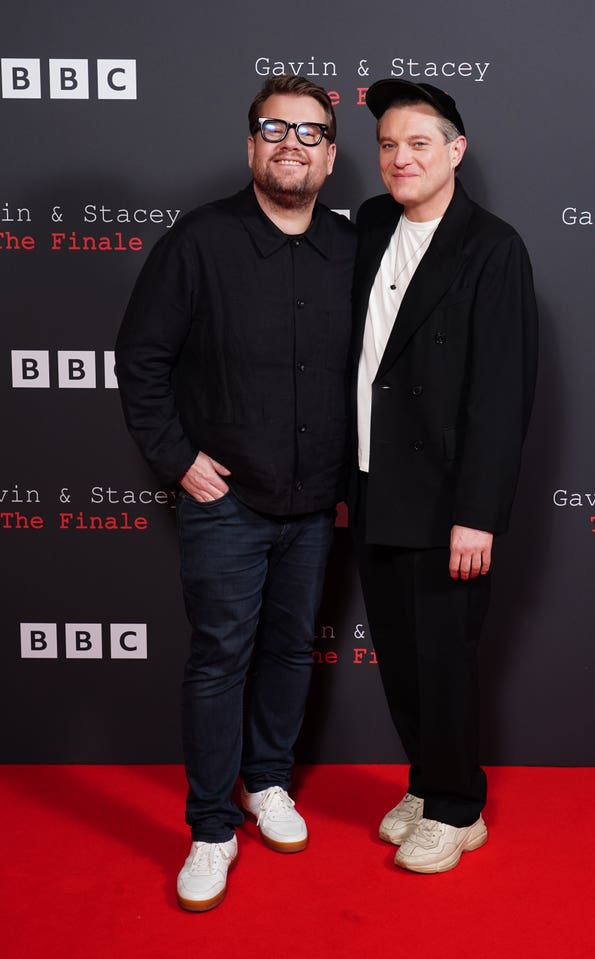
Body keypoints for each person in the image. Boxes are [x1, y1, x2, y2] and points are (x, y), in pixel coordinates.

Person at [115, 75, 355, 910]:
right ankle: (212, 826)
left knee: (291, 651)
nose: (292, 144)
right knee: (220, 659)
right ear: (250, 144)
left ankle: (267, 782)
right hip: (226, 505)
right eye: (274, 128)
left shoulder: (350, 247)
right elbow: (141, 360)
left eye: (310, 133)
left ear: (330, 155)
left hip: (315, 504)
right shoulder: (198, 241)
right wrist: (180, 459)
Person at [352, 78, 537, 874]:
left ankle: (460, 809)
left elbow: (502, 393)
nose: (400, 158)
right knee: (398, 655)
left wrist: (479, 513)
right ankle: (427, 784)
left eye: (418, 143)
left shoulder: (494, 248)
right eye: (388, 144)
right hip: (369, 484)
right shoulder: (367, 223)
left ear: (455, 151)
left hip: (446, 500)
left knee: (446, 658)